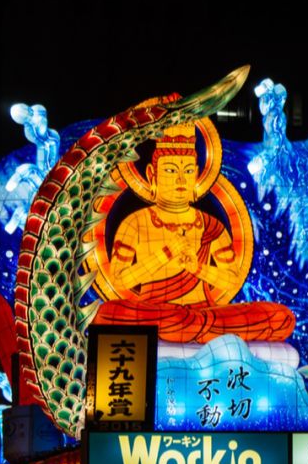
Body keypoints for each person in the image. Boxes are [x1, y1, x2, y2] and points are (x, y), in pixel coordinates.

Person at [94, 123, 293, 343]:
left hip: (204, 315)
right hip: (155, 313)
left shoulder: (211, 226)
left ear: (197, 176)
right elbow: (120, 279)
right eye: (171, 170)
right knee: (108, 313)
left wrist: (197, 268)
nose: (181, 180)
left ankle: (192, 328)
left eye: (188, 171)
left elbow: (230, 279)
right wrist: (166, 255)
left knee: (279, 316)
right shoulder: (135, 223)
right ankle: (192, 329)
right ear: (152, 175)